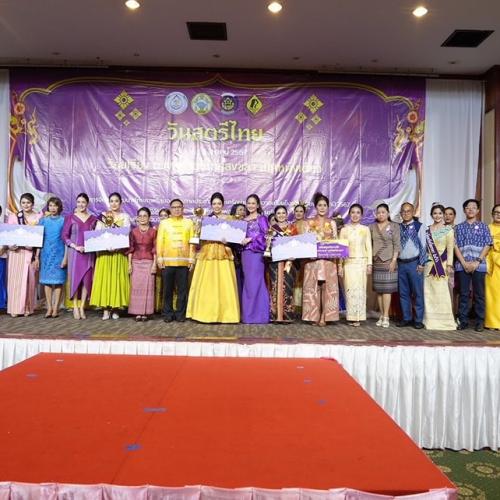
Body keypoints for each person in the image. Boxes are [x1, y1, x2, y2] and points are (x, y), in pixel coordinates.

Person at [187, 192, 240, 323]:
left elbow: (235, 238)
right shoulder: (205, 219)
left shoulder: (230, 219)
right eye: (214, 204)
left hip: (223, 252)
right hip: (208, 252)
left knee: (225, 283)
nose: (217, 206)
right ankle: (204, 313)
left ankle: (226, 314)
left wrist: (228, 241)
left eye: (219, 203)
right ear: (211, 205)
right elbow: (199, 237)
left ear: (223, 204)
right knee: (207, 283)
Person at [90, 192, 131, 320]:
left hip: (118, 254)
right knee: (105, 280)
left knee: (116, 280)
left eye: (116, 201)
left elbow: (126, 234)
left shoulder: (125, 217)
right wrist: (105, 245)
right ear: (109, 202)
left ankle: (115, 308)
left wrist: (118, 246)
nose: (114, 203)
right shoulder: (103, 216)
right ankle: (105, 309)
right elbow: (97, 233)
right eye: (111, 201)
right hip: (104, 254)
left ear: (120, 203)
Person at [454, 199, 492, 332]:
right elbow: (455, 246)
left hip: (479, 265)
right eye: (468, 207)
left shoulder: (484, 226)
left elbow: (488, 244)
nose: (471, 210)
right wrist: (464, 262)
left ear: (478, 210)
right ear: (464, 210)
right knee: (464, 294)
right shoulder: (458, 227)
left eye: (474, 207)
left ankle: (480, 321)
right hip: (462, 265)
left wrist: (477, 261)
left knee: (479, 294)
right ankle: (463, 321)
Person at [302, 192, 339, 327]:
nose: (322, 208)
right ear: (315, 207)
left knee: (326, 287)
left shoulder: (332, 223)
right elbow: (305, 242)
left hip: (328, 261)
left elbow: (336, 241)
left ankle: (324, 316)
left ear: (328, 207)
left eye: (324, 205)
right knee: (313, 288)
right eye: (320, 205)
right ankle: (314, 315)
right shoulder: (308, 222)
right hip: (313, 261)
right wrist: (309, 253)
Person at [156, 198, 194, 322]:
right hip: (167, 262)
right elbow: (160, 241)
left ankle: (180, 314)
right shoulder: (164, 223)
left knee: (182, 290)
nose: (176, 209)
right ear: (170, 209)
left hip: (184, 262)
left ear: (183, 209)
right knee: (167, 290)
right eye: (174, 207)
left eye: (179, 207)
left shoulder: (189, 223)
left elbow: (192, 242)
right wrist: (159, 258)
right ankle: (168, 314)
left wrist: (191, 260)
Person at [62, 193, 98, 319]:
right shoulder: (70, 218)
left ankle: (82, 306)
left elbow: (96, 236)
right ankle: (75, 307)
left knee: (86, 280)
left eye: (83, 202)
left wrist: (90, 246)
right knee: (75, 280)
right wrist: (75, 246)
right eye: (78, 202)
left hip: (88, 253)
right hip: (75, 253)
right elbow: (64, 236)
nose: (81, 204)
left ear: (87, 203)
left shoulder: (93, 219)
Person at [7, 193, 42, 317]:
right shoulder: (14, 217)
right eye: (23, 203)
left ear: (32, 204)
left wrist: (37, 257)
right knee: (15, 281)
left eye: (28, 202)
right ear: (20, 204)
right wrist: (10, 245)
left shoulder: (38, 218)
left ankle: (27, 307)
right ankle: (15, 308)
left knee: (29, 281)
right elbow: (9, 234)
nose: (26, 205)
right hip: (16, 253)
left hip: (30, 253)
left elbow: (40, 239)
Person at [423, 204, 456, 330]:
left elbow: (450, 249)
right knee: (428, 292)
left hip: (442, 265)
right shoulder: (427, 230)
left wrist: (449, 265)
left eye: (440, 213)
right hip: (429, 264)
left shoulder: (448, 230)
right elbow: (424, 249)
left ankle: (444, 321)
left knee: (442, 292)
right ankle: (429, 320)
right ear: (431, 215)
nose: (437, 216)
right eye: (435, 213)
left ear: (443, 215)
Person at [338, 204, 372, 327]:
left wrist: (369, 264)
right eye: (353, 212)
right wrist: (340, 265)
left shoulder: (365, 229)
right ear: (349, 214)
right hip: (348, 263)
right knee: (349, 290)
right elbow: (341, 249)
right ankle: (351, 316)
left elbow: (369, 247)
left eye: (358, 212)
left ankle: (359, 317)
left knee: (360, 290)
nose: (355, 215)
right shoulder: (344, 230)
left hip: (361, 262)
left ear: (361, 215)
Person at [369, 203, 400, 328]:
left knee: (387, 290)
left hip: (389, 261)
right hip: (376, 262)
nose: (381, 214)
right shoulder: (371, 227)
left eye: (383, 212)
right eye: (378, 212)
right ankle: (381, 315)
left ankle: (386, 316)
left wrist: (394, 260)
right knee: (379, 291)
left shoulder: (394, 226)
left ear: (388, 213)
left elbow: (397, 245)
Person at [35, 197, 67, 318]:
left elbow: (66, 240)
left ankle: (56, 308)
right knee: (47, 282)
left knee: (58, 282)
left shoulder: (64, 221)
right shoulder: (43, 221)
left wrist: (65, 257)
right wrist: (37, 256)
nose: (53, 208)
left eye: (55, 205)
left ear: (59, 207)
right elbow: (39, 239)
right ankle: (49, 307)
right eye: (50, 205)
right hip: (46, 254)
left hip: (59, 254)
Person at [241, 194, 270, 324]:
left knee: (257, 282)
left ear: (258, 205)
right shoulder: (243, 220)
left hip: (256, 253)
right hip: (245, 254)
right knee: (248, 284)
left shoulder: (262, 218)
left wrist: (251, 239)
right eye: (249, 203)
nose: (251, 205)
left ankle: (260, 316)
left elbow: (266, 236)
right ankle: (248, 316)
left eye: (253, 203)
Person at [397, 202, 427, 329]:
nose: (405, 213)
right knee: (403, 292)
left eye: (408, 211)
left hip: (414, 263)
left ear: (413, 212)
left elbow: (424, 246)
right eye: (403, 211)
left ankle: (418, 319)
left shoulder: (419, 226)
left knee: (417, 292)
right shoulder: (397, 227)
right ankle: (406, 318)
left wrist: (422, 263)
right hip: (401, 264)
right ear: (400, 213)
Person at [268, 205, 299, 322]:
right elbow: (268, 246)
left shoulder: (292, 228)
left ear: (286, 215)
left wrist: (292, 257)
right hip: (275, 261)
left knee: (288, 287)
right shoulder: (271, 229)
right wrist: (268, 242)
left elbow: (297, 244)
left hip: (289, 262)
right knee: (275, 286)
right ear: (275, 216)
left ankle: (288, 315)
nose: (281, 215)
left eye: (283, 213)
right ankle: (275, 314)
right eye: (278, 213)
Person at [128, 207, 157, 321]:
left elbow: (155, 249)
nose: (142, 218)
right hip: (136, 262)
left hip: (149, 262)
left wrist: (154, 265)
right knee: (136, 287)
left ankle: (145, 312)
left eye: (145, 216)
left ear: (149, 218)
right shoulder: (133, 232)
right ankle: (137, 312)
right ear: (137, 218)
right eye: (140, 216)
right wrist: (129, 264)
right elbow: (131, 249)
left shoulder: (153, 232)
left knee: (148, 288)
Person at [485, 204, 500, 330]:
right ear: (492, 214)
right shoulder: (487, 228)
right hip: (491, 264)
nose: (498, 214)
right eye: (496, 212)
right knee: (491, 294)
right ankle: (491, 322)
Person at [229, 203, 247, 302]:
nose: (242, 212)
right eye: (240, 210)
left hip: (246, 255)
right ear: (234, 212)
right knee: (236, 281)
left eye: (243, 210)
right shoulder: (230, 224)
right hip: (234, 257)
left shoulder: (248, 224)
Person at [155, 208, 170, 312]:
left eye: (165, 215)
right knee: (159, 283)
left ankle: (170, 307)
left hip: (170, 258)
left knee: (169, 285)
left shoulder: (172, 228)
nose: (163, 217)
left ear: (169, 216)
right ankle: (158, 307)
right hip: (159, 258)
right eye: (161, 216)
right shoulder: (156, 229)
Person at [444, 206, 458, 312]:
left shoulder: (458, 229)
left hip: (457, 263)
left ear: (454, 216)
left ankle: (455, 313)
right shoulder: (440, 229)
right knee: (445, 290)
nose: (448, 216)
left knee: (456, 290)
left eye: (450, 214)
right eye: (445, 214)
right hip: (443, 263)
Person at [0, 206, 6, 310]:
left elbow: (7, 240)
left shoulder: (4, 227)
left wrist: (3, 248)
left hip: (1, 256)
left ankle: (1, 304)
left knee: (0, 280)